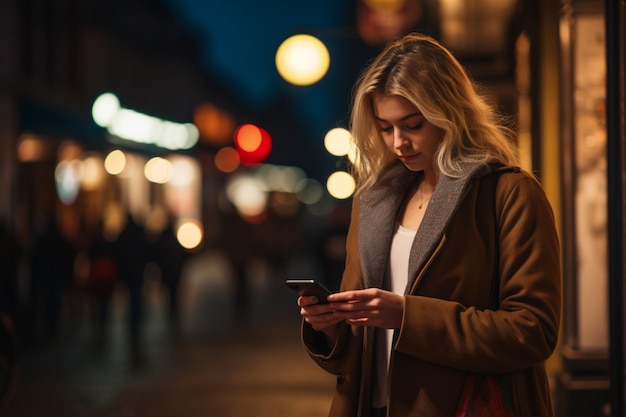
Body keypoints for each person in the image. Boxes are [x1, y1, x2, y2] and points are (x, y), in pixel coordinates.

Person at [296, 33, 561, 417]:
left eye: (413, 124)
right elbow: (362, 347)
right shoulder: (374, 201)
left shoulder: (508, 194)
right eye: (385, 128)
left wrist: (406, 315)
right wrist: (331, 329)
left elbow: (533, 330)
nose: (398, 142)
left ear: (449, 112)